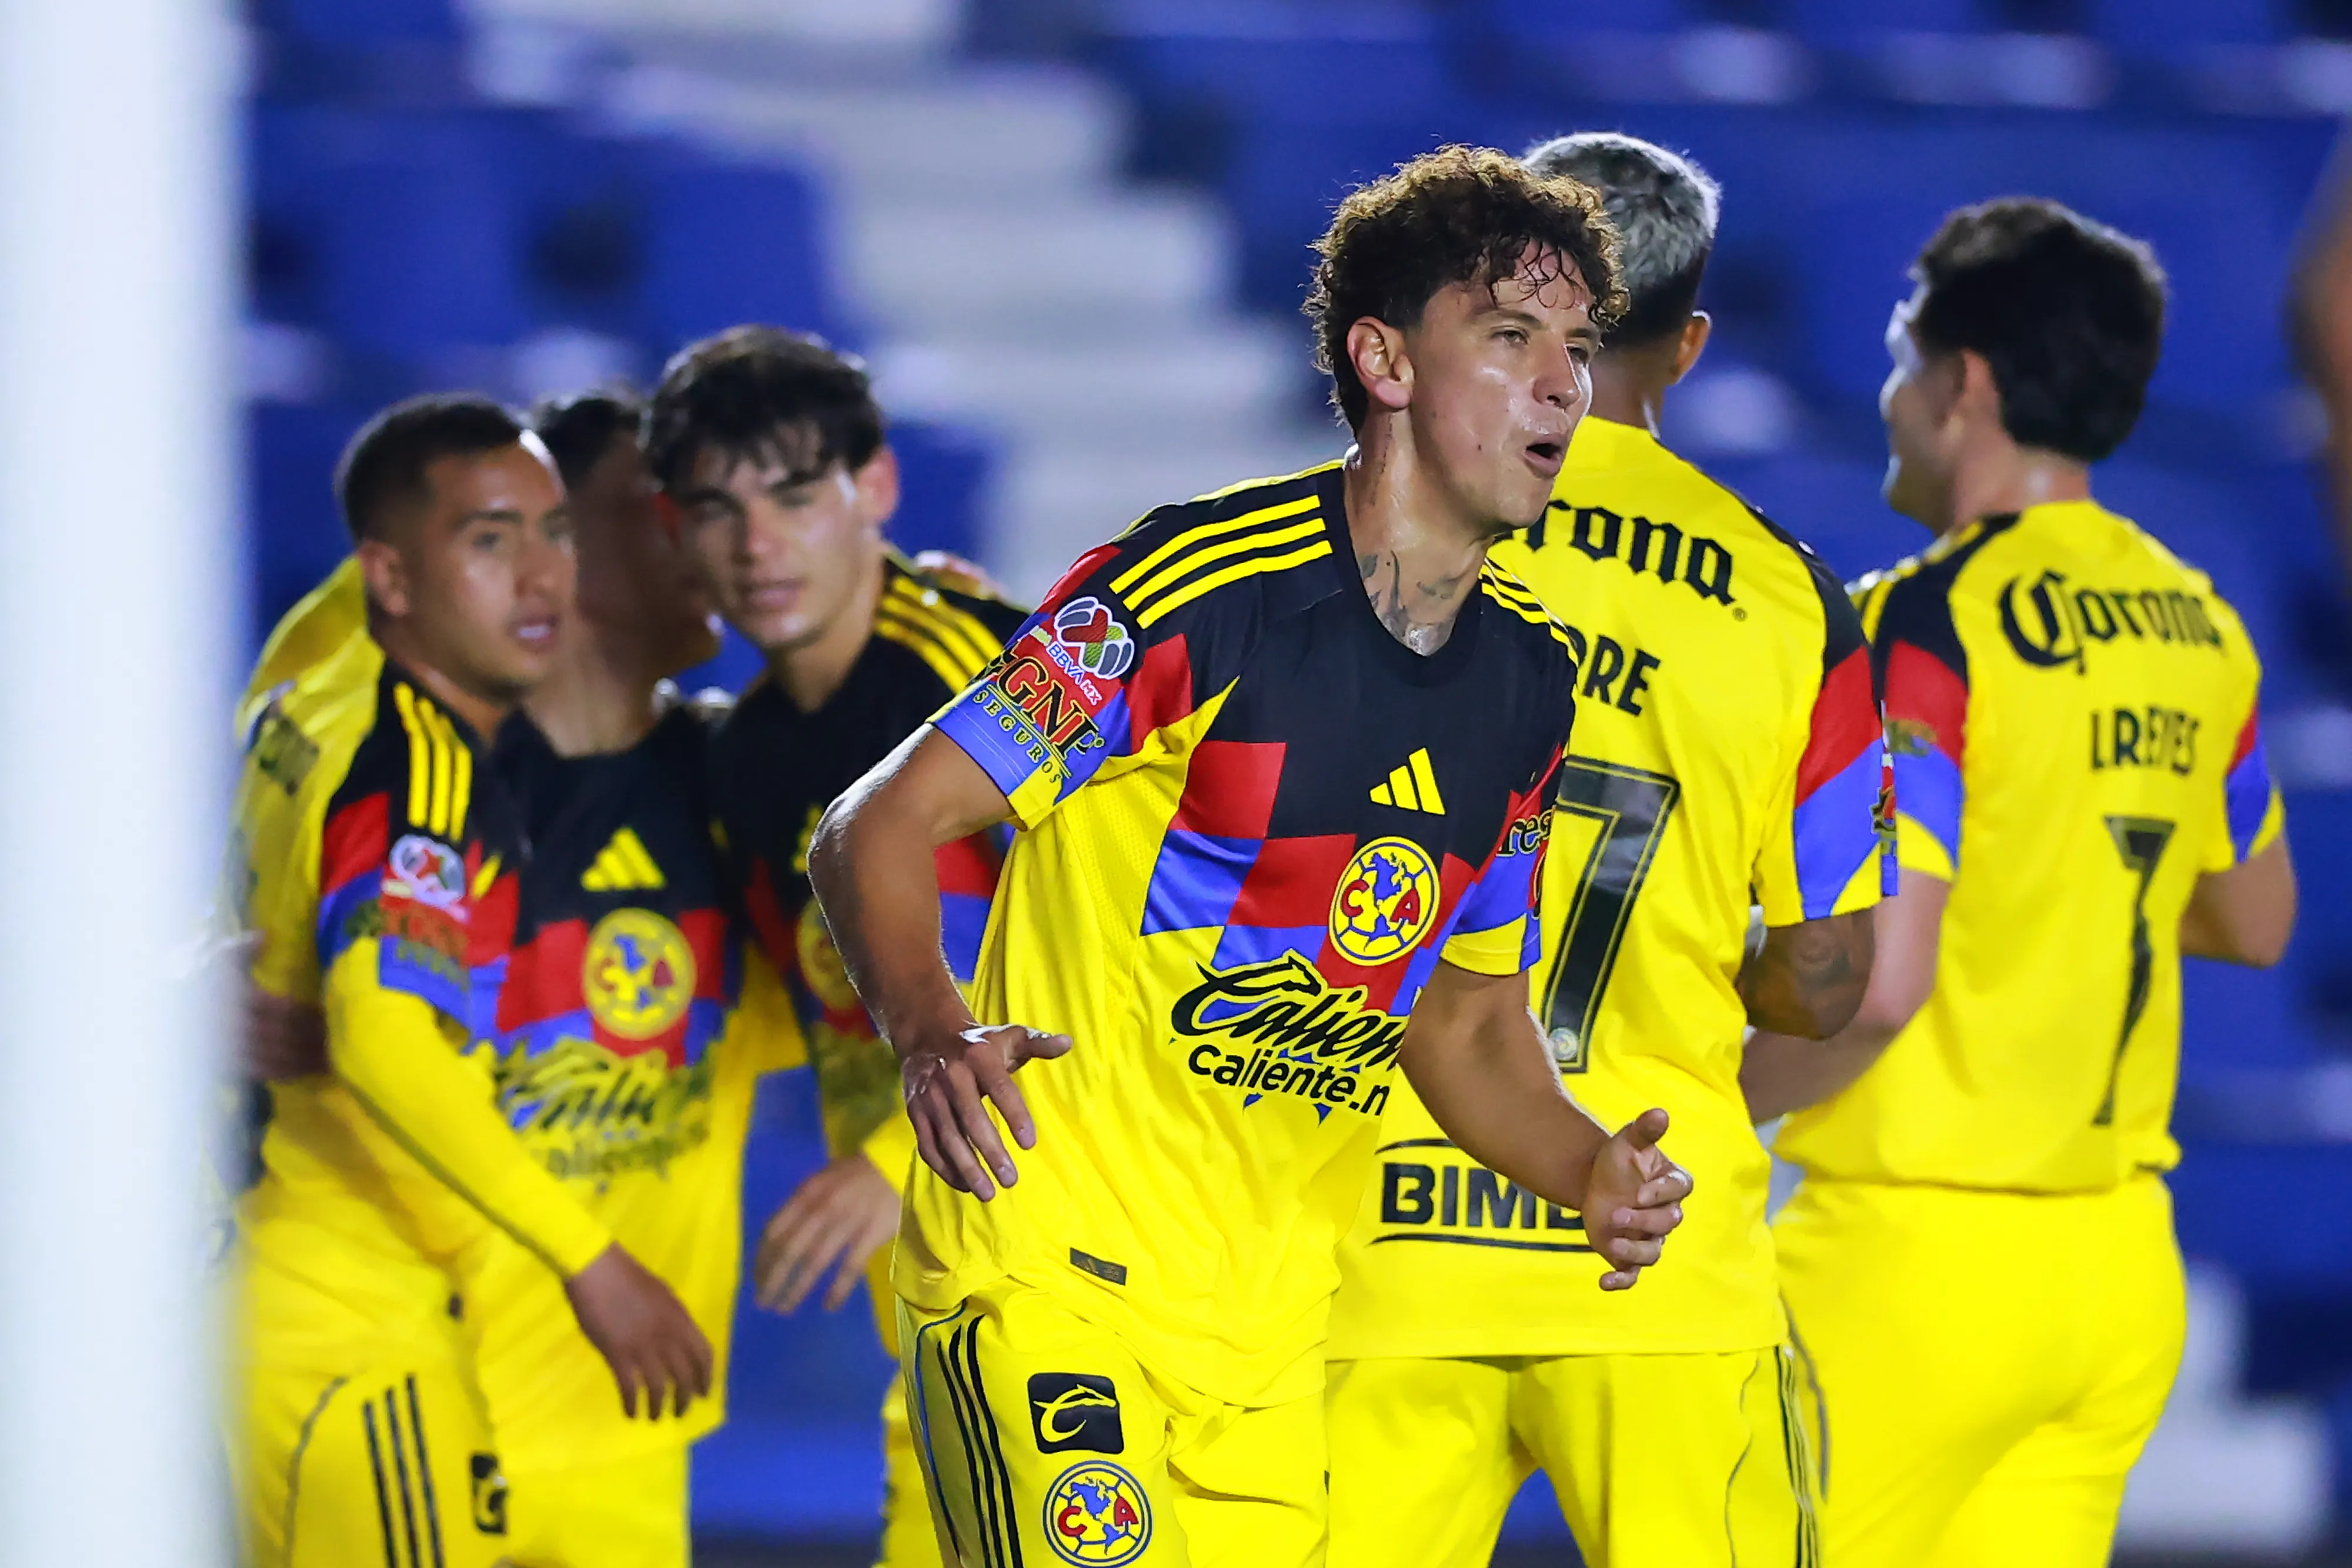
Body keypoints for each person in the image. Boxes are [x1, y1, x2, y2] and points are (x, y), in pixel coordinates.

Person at [807, 146, 1693, 1568]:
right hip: (1049, 1287)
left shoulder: (1528, 686)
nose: (1561, 386)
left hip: (1267, 1353)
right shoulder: (1186, 592)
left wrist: (1583, 1167)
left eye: (1578, 348)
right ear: (1383, 359)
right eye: (1511, 337)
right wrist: (927, 1030)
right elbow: (880, 825)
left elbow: (1461, 1020)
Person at [1323, 132, 1884, 1568]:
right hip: (1658, 1242)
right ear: (1688, 344)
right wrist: (1691, 967)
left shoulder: (1371, 527)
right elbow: (1830, 984)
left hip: (1374, 1230)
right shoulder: (1792, 606)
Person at [1743, 198, 2299, 1568]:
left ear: (1962, 384)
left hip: (1912, 1270)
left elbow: (1877, 988)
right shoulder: (2197, 626)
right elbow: (2254, 914)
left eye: (1899, 358)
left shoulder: (1920, 628)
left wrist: (1697, 1113)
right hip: (2112, 1278)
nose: (1885, 397)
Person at [227, 395, 708, 1568]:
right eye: (491, 540)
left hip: (259, 1293)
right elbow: (381, 1033)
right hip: (361, 1319)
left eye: (555, 532)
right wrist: (592, 1263)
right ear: (392, 574)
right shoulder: (426, 767)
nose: (543, 576)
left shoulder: (312, 663)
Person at [646, 326, 1030, 1568]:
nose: (758, 545)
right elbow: (804, 993)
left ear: (875, 489)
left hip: (1089, 1243)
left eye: (796, 494)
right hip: (933, 1270)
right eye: (719, 507)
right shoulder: (744, 752)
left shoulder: (983, 671)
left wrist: (878, 1158)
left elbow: (1131, 941)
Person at [455, 389, 807, 1567]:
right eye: (659, 505)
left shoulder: (742, 785)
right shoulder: (409, 778)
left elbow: (926, 977)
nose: (704, 536)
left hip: (627, 1441)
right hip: (414, 1418)